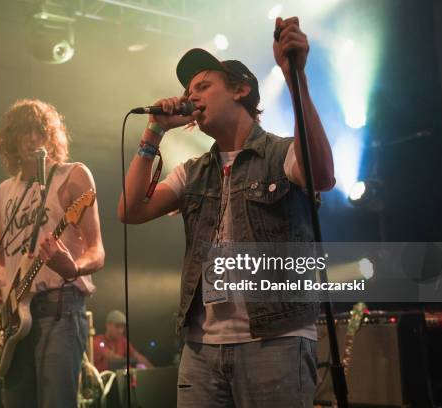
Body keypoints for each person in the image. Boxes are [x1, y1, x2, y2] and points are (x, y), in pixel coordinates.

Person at [118, 17, 335, 407]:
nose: (192, 97)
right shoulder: (194, 172)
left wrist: (294, 78)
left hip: (276, 340)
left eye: (203, 86)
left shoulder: (280, 153)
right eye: (188, 90)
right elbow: (131, 210)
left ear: (240, 90)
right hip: (202, 348)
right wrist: (154, 131)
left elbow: (322, 175)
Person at [0, 99, 105, 408]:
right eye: (24, 132)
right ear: (11, 140)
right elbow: (0, 259)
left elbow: (98, 251)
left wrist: (73, 266)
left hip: (58, 312)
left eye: (40, 131)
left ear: (51, 136)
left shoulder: (74, 175)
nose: (33, 138)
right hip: (12, 322)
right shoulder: (4, 190)